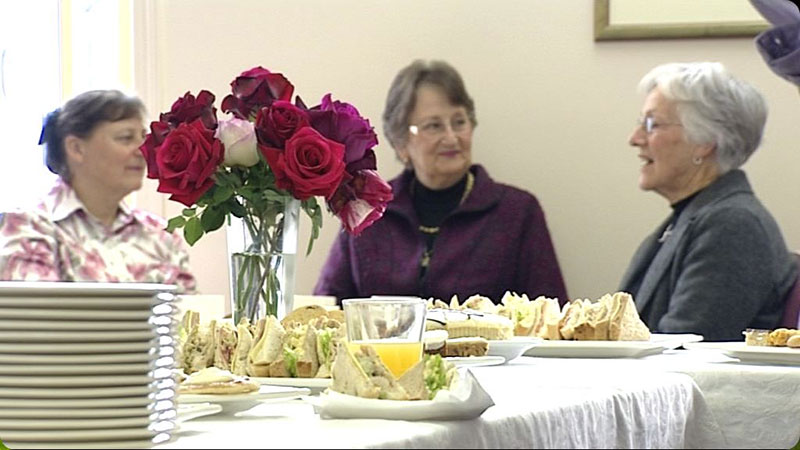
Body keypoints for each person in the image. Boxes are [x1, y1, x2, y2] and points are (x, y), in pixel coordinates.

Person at [314, 60, 567, 305]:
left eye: (459, 122)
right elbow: (324, 307)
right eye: (434, 126)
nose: (451, 137)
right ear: (401, 143)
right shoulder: (368, 211)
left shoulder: (517, 213)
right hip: (381, 350)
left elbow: (551, 318)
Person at [619, 62, 797, 341]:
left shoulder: (733, 225)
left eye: (652, 124)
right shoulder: (694, 217)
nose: (635, 139)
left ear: (704, 142)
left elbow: (686, 347)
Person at [0, 89, 196, 292]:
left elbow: (192, 318)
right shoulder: (28, 225)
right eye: (126, 138)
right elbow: (37, 316)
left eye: (143, 138)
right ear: (76, 148)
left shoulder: (162, 236)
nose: (142, 150)